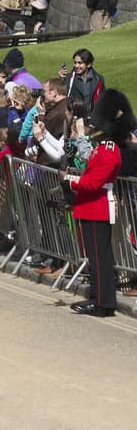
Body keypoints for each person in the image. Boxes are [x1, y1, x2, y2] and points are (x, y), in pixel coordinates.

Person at [63, 89, 133, 317]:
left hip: (98, 207)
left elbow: (93, 182)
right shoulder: (103, 148)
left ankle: (103, 304)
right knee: (95, 258)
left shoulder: (110, 151)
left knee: (100, 258)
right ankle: (97, 299)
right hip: (91, 206)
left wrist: (70, 181)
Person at [64, 48, 105, 116]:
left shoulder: (98, 79)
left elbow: (102, 101)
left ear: (89, 64)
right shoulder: (69, 78)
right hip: (74, 118)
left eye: (80, 63)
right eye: (75, 62)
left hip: (91, 118)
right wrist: (61, 79)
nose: (76, 66)